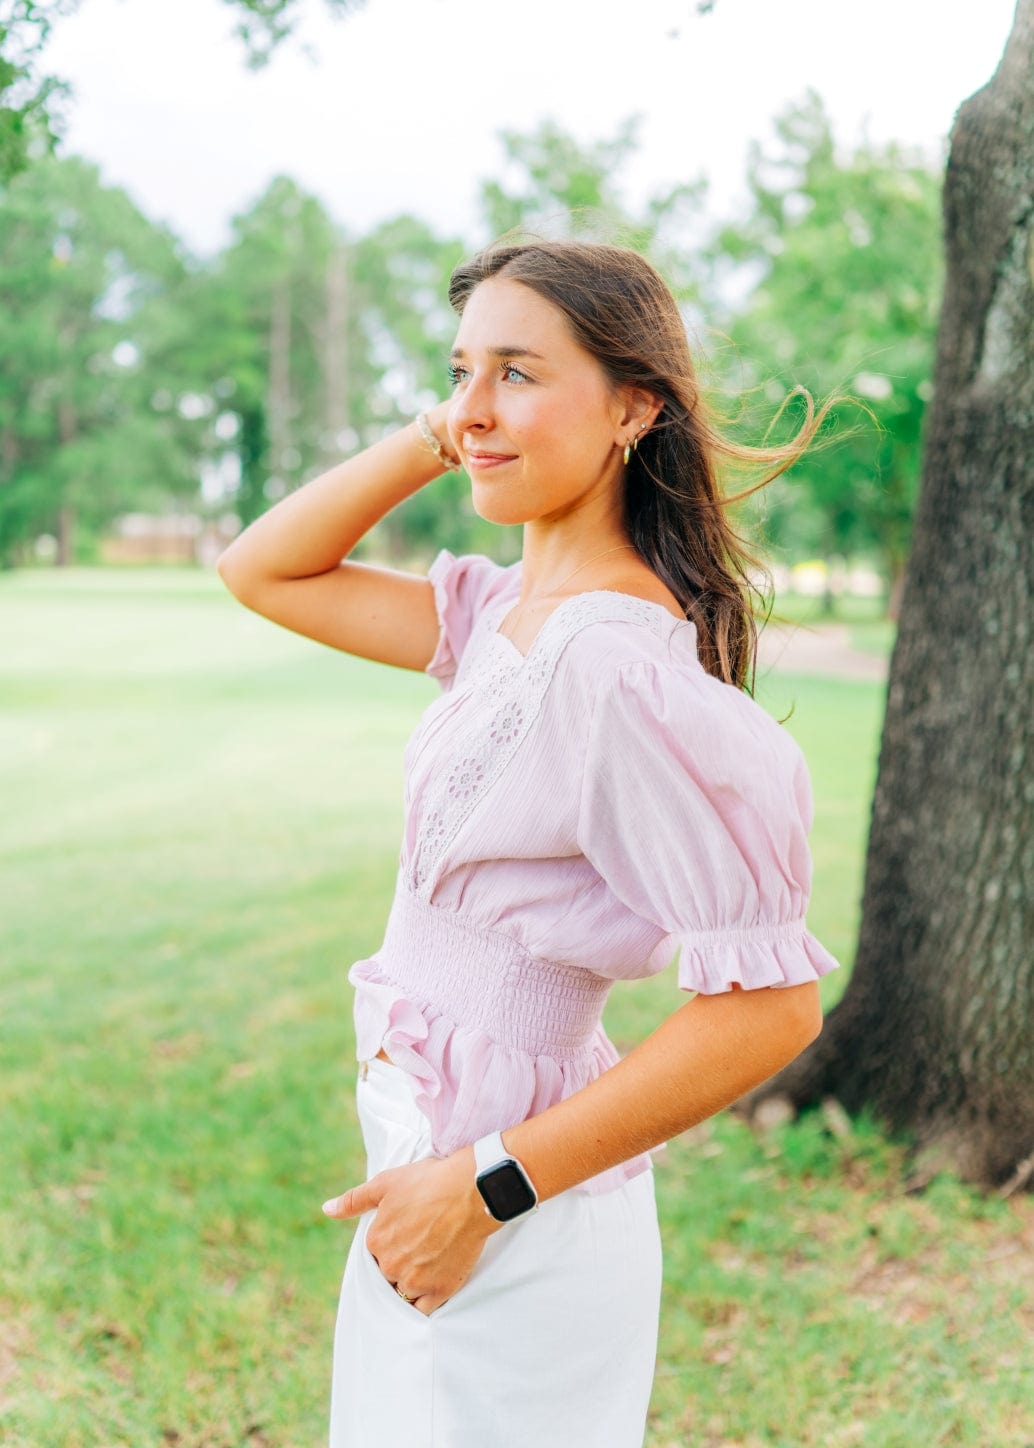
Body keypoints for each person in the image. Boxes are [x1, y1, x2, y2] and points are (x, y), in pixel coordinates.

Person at [216, 238, 840, 1448]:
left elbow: (771, 1009)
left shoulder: (611, 669)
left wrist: (484, 1186)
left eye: (517, 372)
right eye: (461, 371)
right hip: (432, 1157)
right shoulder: (508, 612)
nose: (474, 405)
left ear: (633, 407)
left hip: (495, 1199)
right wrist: (440, 431)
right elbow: (263, 569)